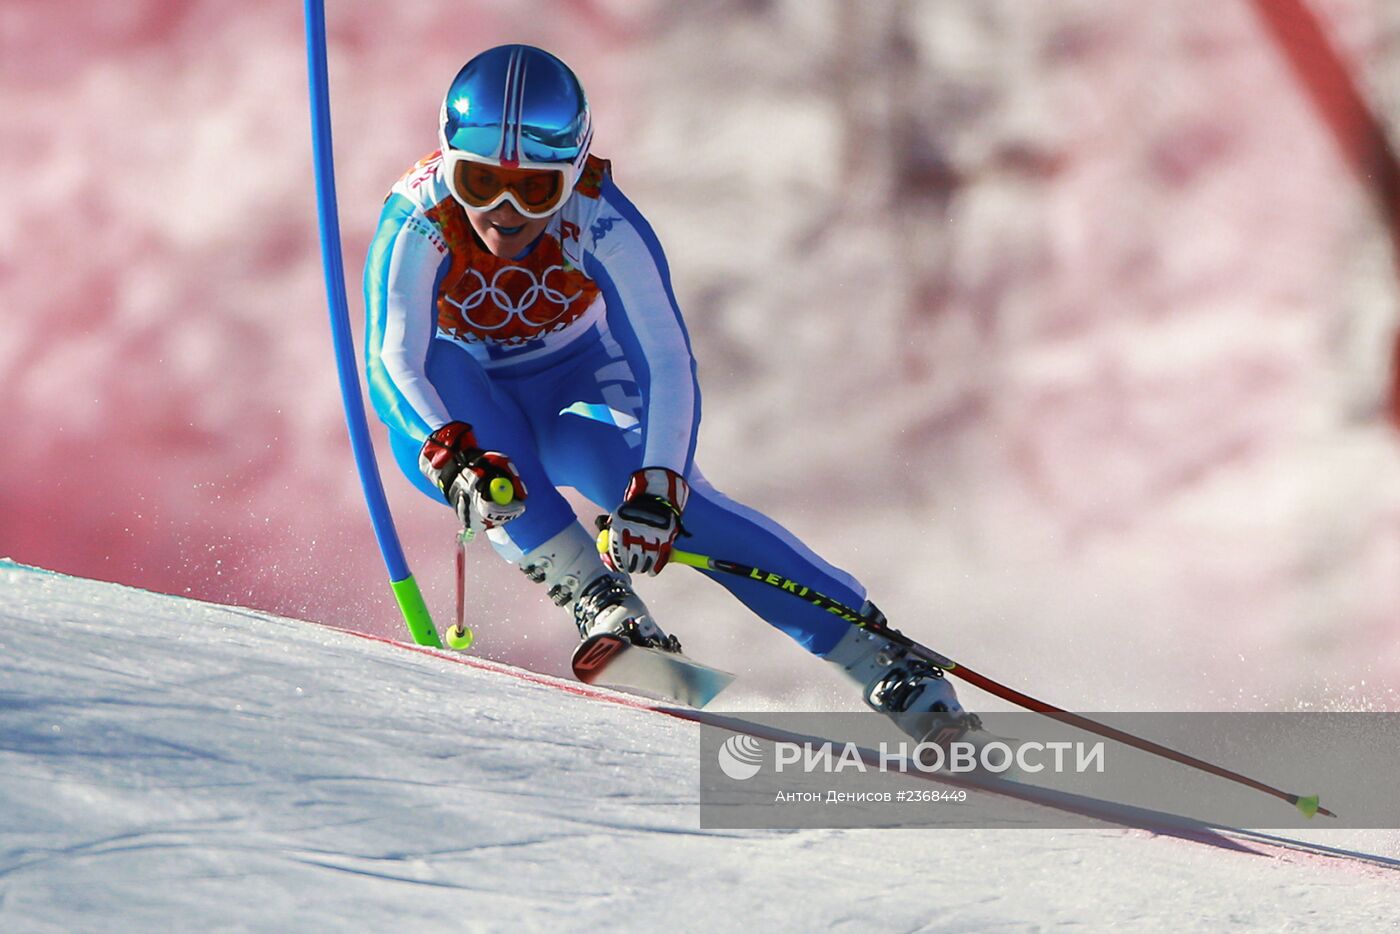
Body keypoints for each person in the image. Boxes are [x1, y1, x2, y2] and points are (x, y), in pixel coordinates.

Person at [363, 43, 973, 742]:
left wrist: (659, 487)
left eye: (533, 190)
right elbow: (391, 357)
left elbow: (665, 359)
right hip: (472, 387)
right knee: (448, 431)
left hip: (575, 378)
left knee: (639, 485)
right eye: (478, 182)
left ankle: (875, 655)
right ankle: (597, 598)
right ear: (447, 161)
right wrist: (451, 454)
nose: (502, 214)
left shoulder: (600, 217)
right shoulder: (420, 213)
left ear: (572, 173)